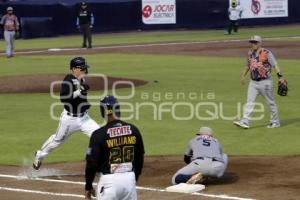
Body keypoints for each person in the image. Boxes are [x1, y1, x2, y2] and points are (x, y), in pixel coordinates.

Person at [33, 57, 100, 170]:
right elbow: (64, 98)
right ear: (74, 69)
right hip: (69, 120)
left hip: (84, 118)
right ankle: (39, 155)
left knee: (99, 136)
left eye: (85, 68)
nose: (85, 71)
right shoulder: (68, 80)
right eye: (82, 68)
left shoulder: (81, 78)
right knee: (57, 141)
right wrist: (79, 91)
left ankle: (101, 164)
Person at [85, 95, 145, 200]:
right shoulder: (134, 130)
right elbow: (140, 157)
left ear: (103, 111)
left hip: (109, 182)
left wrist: (88, 186)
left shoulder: (99, 134)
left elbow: (91, 164)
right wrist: (134, 178)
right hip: (129, 179)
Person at [234, 35, 284, 129]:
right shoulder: (250, 53)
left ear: (260, 43)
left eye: (255, 42)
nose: (253, 44)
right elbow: (247, 66)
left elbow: (275, 65)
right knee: (250, 101)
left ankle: (275, 122)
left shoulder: (266, 53)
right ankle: (245, 121)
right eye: (252, 42)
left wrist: (280, 77)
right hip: (253, 83)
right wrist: (243, 76)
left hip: (265, 82)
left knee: (270, 103)